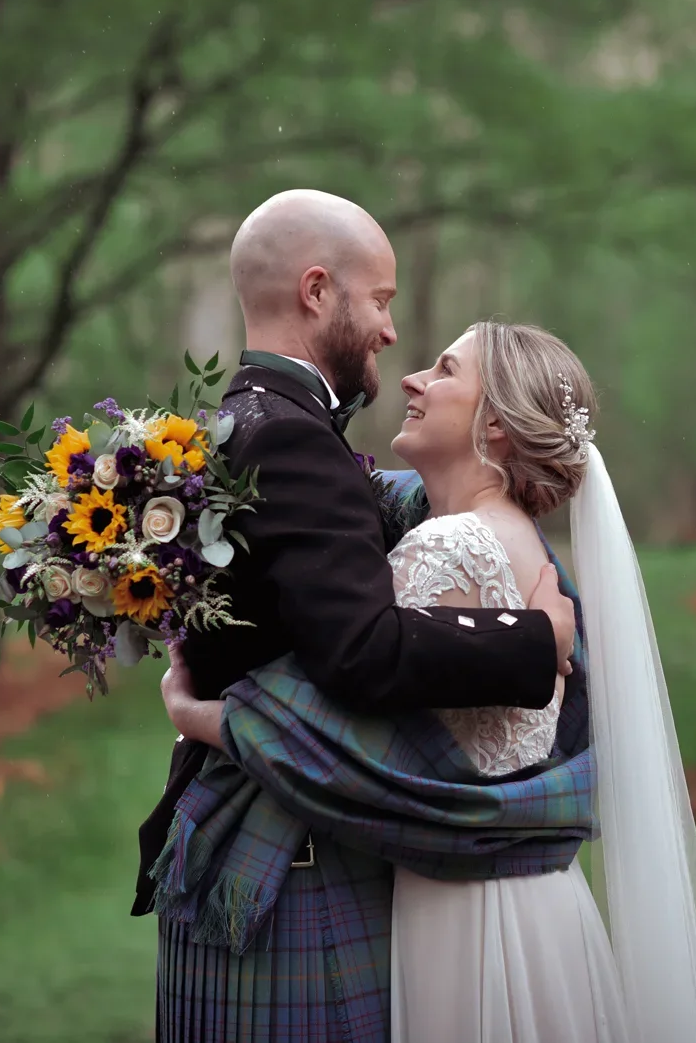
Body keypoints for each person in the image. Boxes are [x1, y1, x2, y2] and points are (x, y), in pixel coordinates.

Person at [164, 322, 696, 1042]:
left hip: (471, 918)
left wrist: (203, 714)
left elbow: (360, 737)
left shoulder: (449, 546)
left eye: (442, 370)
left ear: (494, 423)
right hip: (537, 904)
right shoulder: (512, 534)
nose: (412, 380)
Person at [136, 190, 580, 1040]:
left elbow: (347, 538)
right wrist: (537, 637)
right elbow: (364, 652)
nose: (389, 332)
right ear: (315, 291)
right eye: (380, 299)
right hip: (285, 871)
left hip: (250, 848)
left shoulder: (239, 424)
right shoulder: (291, 437)